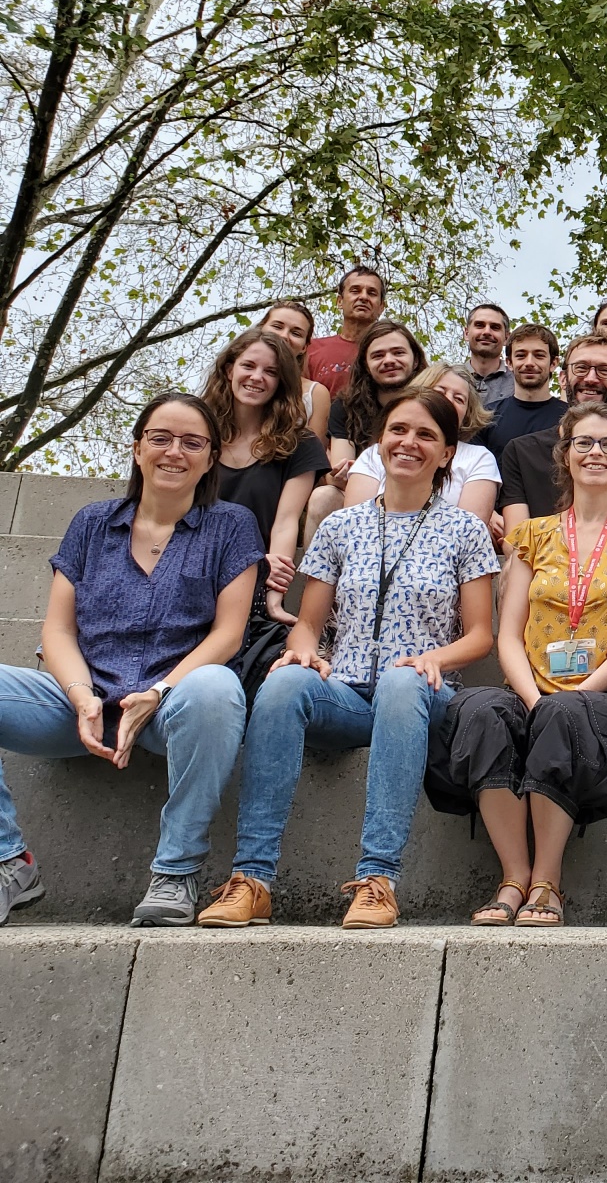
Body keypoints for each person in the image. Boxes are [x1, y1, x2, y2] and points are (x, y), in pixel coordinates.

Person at [198, 388, 498, 930]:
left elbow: (480, 636)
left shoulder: (465, 530)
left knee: (403, 684)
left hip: (419, 694)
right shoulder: (341, 525)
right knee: (285, 684)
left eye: (426, 435)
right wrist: (305, 653)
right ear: (380, 441)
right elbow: (309, 624)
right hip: (345, 693)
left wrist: (432, 657)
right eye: (399, 430)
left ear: (448, 454)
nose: (409, 443)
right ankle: (252, 878)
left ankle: (378, 879)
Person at [0, 394, 263, 928]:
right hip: (83, 698)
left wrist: (160, 691)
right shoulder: (92, 523)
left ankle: (176, 872)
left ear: (211, 458)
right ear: (138, 447)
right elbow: (57, 629)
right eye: (161, 438)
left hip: (172, 706)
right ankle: (10, 862)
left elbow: (228, 635)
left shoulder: (231, 526)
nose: (175, 452)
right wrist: (80, 695)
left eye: (193, 442)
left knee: (217, 688)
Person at [430, 403, 607, 928]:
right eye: (584, 443)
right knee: (481, 709)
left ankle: (547, 882)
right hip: (531, 691)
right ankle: (512, 879)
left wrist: (574, 695)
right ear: (565, 455)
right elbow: (508, 635)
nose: (596, 453)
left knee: (567, 715)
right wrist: (536, 700)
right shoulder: (531, 536)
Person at [201, 328, 328, 632]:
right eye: (248, 366)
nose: (257, 377)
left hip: (253, 573)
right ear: (230, 369)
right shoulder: (198, 434)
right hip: (194, 567)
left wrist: (275, 596)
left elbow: (285, 523)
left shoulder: (299, 444)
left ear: (281, 382)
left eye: (270, 372)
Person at [499, 335, 607, 530]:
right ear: (563, 379)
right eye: (581, 368)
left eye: (604, 370)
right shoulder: (520, 452)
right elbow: (515, 541)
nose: (591, 378)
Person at [310, 320, 425, 549]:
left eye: (398, 352)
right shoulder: (346, 407)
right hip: (361, 497)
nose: (389, 360)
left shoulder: (433, 405)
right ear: (365, 364)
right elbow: (341, 470)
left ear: (415, 361)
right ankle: (318, 581)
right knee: (324, 496)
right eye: (378, 355)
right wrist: (338, 475)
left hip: (422, 497)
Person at [345, 364, 502, 525]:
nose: (448, 400)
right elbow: (355, 525)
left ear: (467, 413)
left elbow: (467, 532)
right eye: (440, 392)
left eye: (459, 399)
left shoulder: (478, 458)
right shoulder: (379, 452)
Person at [255, 300, 333, 445]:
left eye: (296, 333)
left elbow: (314, 456)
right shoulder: (237, 377)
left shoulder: (315, 394)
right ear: (261, 329)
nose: (284, 336)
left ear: (304, 347)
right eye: (277, 326)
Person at [303, 265, 387, 394]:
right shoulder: (311, 349)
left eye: (372, 293)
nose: (363, 297)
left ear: (381, 306)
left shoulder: (391, 355)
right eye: (355, 291)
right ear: (340, 301)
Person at [486, 323, 567, 451]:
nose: (529, 363)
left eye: (539, 355)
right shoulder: (487, 417)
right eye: (521, 355)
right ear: (509, 363)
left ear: (553, 363)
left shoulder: (571, 418)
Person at [463, 303, 514, 407]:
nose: (486, 332)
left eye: (495, 327)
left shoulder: (518, 383)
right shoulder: (447, 379)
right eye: (479, 325)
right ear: (466, 333)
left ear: (506, 338)